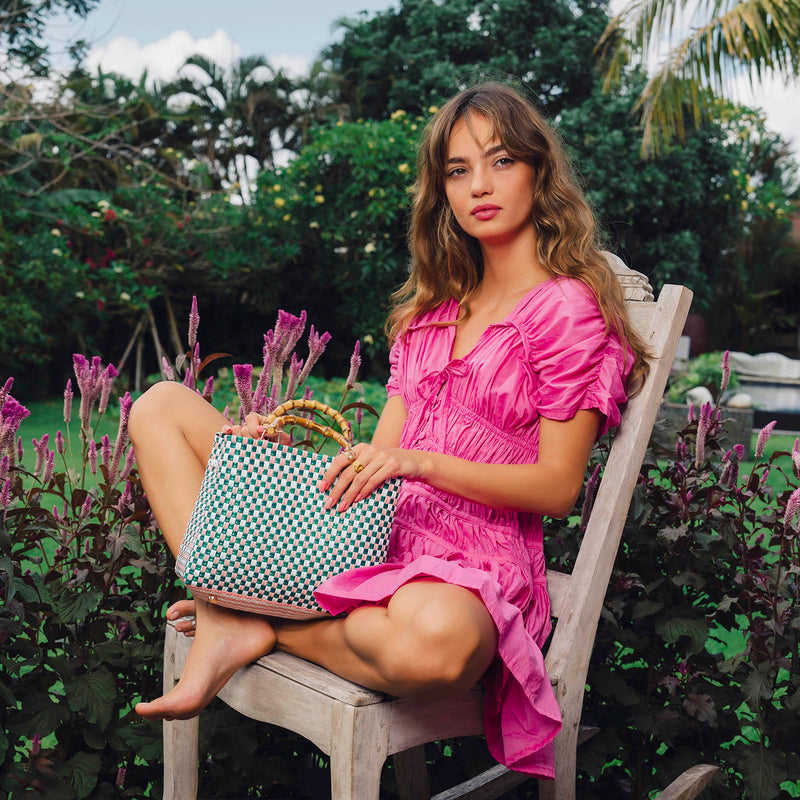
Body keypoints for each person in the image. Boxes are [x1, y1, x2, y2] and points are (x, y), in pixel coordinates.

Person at [130, 82, 648, 778]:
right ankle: (233, 609)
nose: (479, 185)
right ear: (442, 191)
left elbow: (556, 488)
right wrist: (268, 459)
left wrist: (421, 464)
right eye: (458, 170)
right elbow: (376, 461)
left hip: (470, 567)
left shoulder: (567, 309)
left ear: (538, 171)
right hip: (373, 537)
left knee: (436, 645)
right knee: (159, 406)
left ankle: (257, 621)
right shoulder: (432, 313)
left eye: (501, 161)